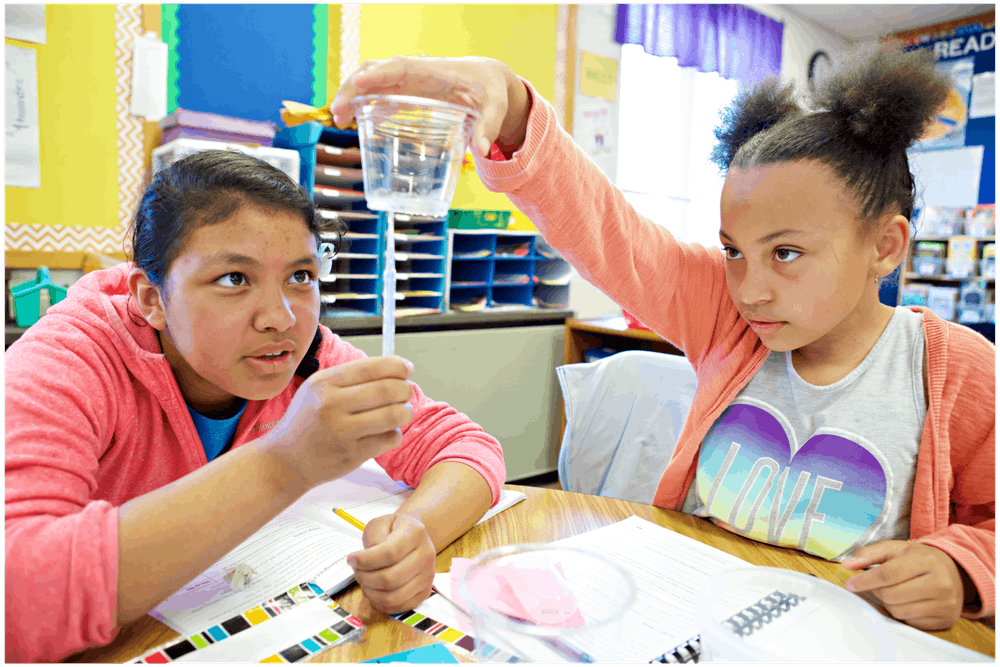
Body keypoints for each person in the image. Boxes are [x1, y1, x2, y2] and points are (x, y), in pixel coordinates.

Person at [331, 46, 996, 631]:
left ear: (885, 244)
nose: (752, 288)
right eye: (734, 251)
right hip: (690, 618)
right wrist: (508, 110)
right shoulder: (726, 313)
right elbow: (609, 231)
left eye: (786, 253)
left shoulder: (957, 369)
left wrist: (960, 566)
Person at [3, 150, 505, 662]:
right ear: (152, 298)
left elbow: (464, 444)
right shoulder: (68, 359)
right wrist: (285, 462)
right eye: (234, 279)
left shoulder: (310, 355)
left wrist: (416, 531)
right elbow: (16, 602)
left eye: (301, 276)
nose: (281, 318)